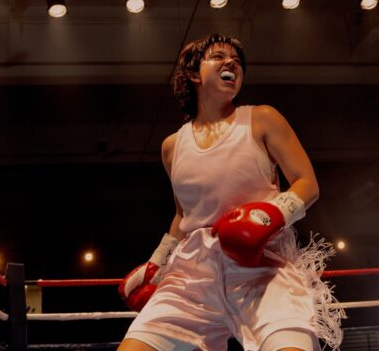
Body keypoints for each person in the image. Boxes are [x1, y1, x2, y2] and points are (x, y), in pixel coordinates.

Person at [118, 33, 342, 351]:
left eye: (237, 61)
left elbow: (307, 182)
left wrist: (269, 215)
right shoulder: (172, 146)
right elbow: (184, 214)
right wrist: (158, 263)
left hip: (263, 268)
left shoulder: (261, 119)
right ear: (194, 74)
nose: (231, 63)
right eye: (219, 56)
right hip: (192, 276)